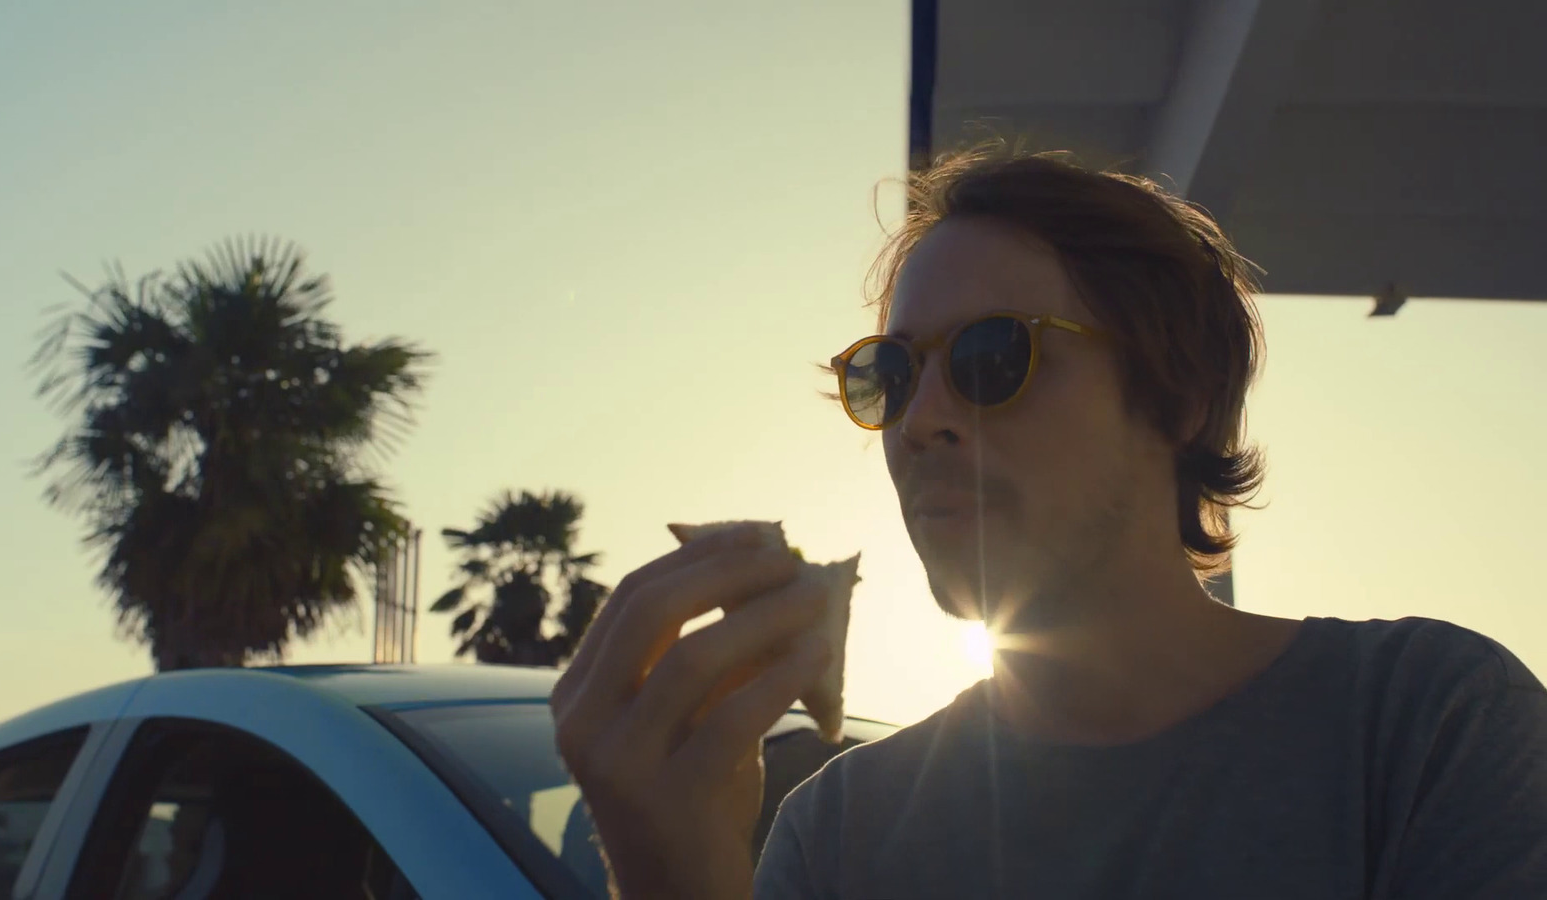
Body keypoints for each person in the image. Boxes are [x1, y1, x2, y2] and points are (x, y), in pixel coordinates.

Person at [549, 143, 1547, 899]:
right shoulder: (841, 832)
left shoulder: (1423, 728)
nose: (922, 421)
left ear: (1177, 393)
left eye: (992, 357)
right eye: (888, 375)